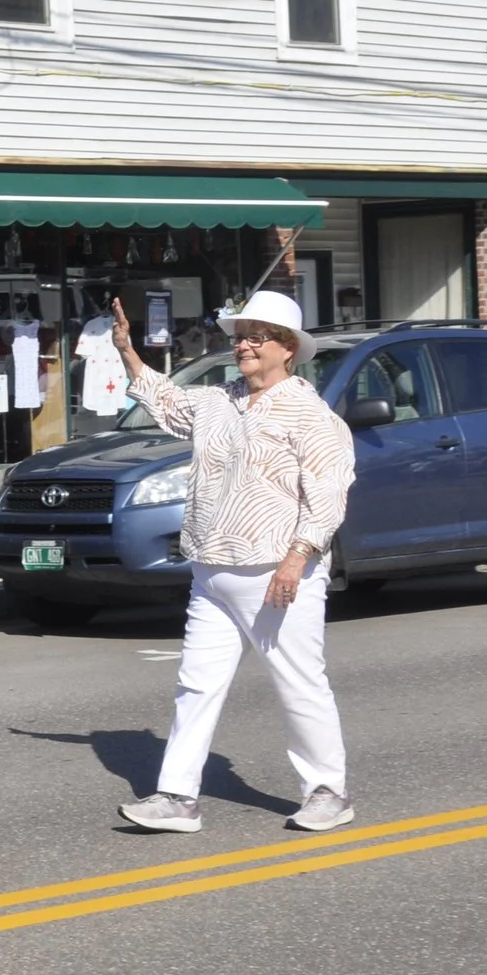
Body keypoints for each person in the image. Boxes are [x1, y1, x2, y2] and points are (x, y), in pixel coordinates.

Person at [108, 290, 359, 835]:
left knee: (298, 682)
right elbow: (170, 405)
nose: (242, 345)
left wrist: (297, 561)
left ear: (287, 348)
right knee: (196, 683)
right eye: (239, 335)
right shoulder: (220, 400)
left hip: (275, 571)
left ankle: (328, 792)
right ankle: (177, 797)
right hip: (211, 570)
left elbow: (328, 497)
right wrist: (128, 352)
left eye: (256, 336)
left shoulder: (310, 415)